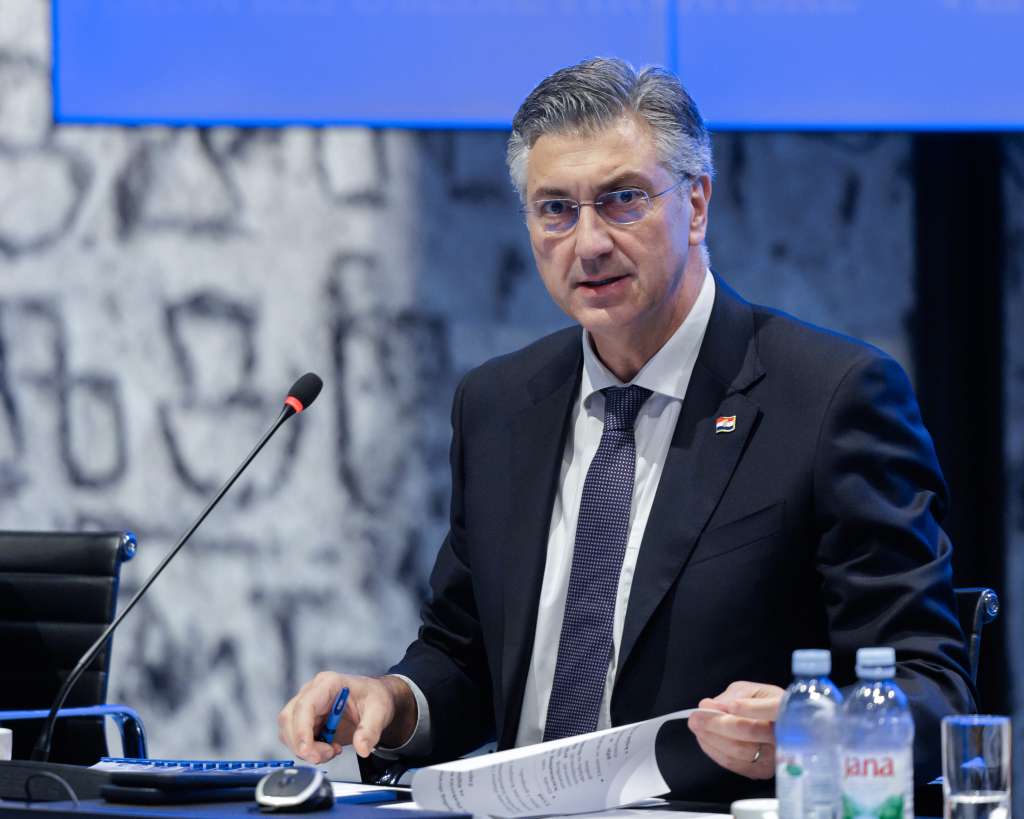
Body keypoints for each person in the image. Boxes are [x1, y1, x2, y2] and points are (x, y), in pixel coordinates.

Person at [278, 57, 974, 802]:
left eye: (622, 200)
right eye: (555, 208)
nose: (589, 243)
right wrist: (393, 702)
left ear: (696, 204)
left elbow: (932, 685)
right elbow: (464, 657)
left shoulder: (830, 397)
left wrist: (810, 728)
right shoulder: (497, 405)